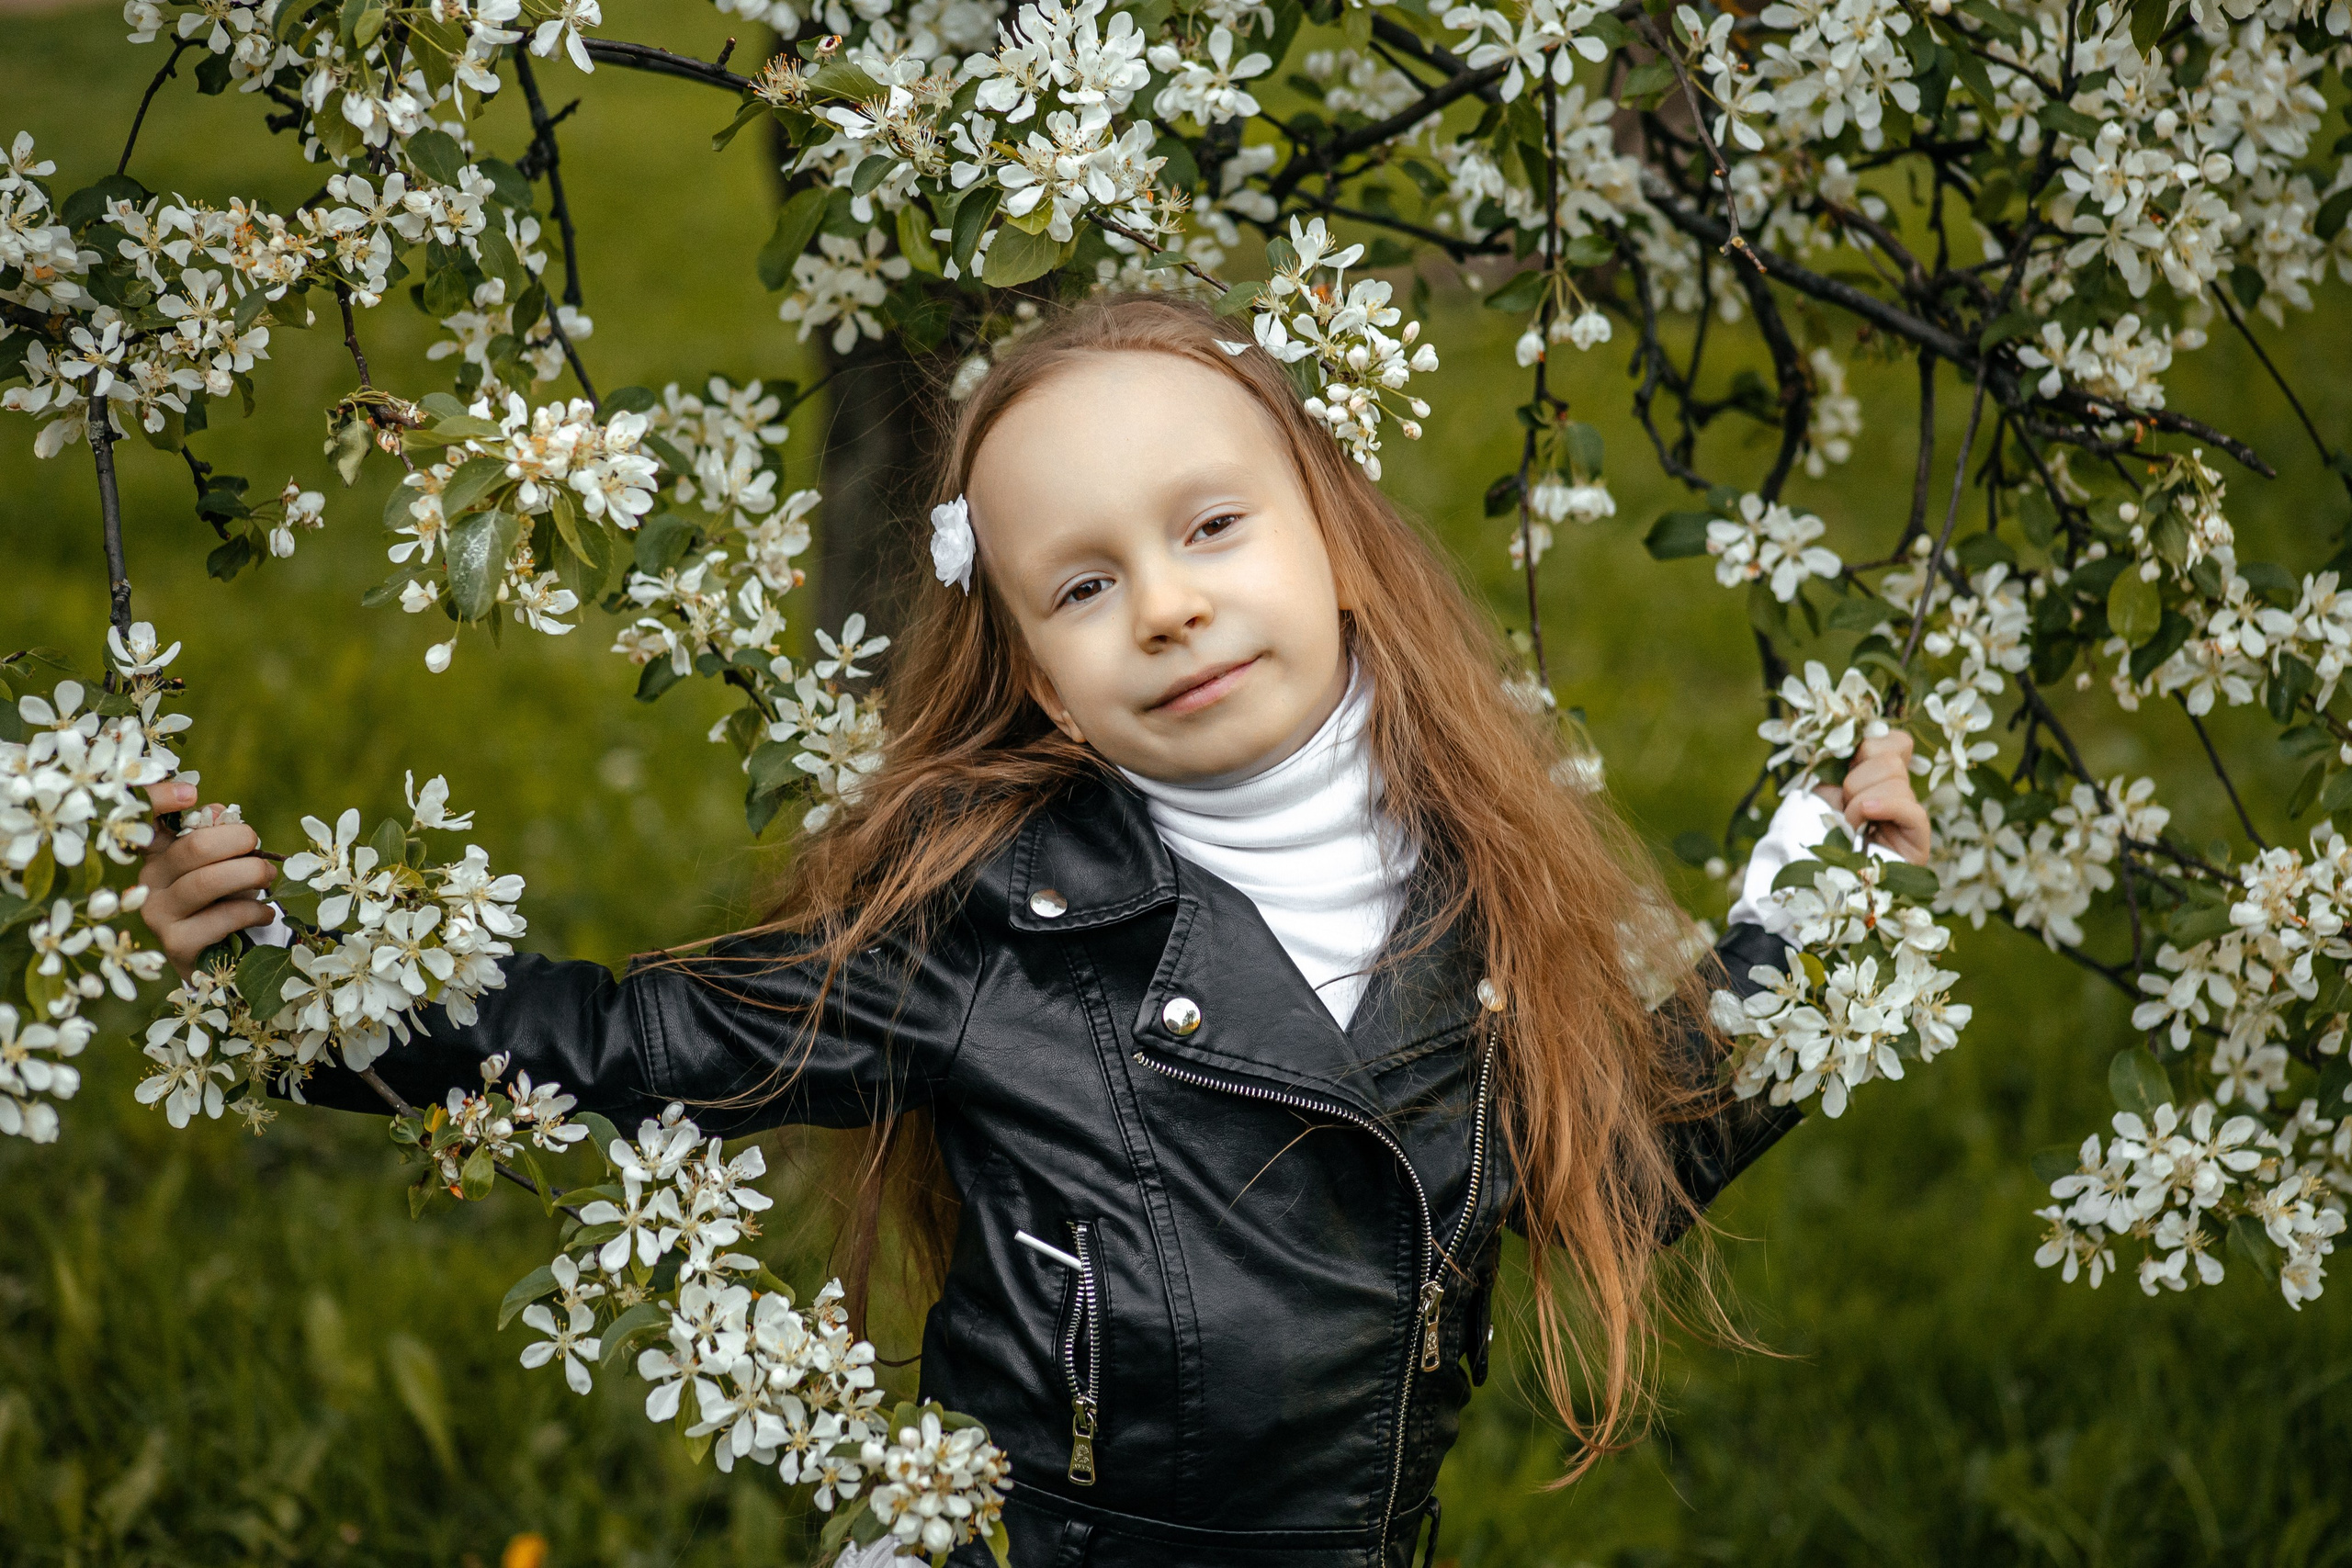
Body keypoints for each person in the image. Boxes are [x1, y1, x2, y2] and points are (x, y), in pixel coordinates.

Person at [138, 295, 1929, 1567]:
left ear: (1334, 539)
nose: (1164, 603)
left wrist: (1825, 911)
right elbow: (631, 1042)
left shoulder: (1483, 890)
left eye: (1210, 524)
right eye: (1080, 582)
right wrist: (294, 972)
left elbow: (1628, 1149)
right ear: (1036, 674)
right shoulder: (980, 922)